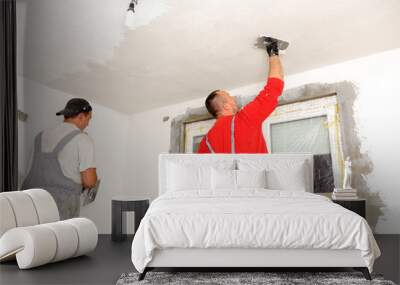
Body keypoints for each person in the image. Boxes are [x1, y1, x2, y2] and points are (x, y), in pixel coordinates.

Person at [197, 40, 284, 154]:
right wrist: (273, 50)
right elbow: (273, 88)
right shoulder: (244, 120)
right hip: (258, 171)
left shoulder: (206, 142)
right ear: (226, 106)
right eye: (229, 96)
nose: (233, 98)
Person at [22, 98, 98, 220]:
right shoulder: (83, 140)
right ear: (81, 116)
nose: (88, 124)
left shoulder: (40, 136)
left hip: (29, 202)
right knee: (61, 239)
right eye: (89, 119)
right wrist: (94, 180)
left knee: (32, 238)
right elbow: (89, 181)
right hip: (60, 205)